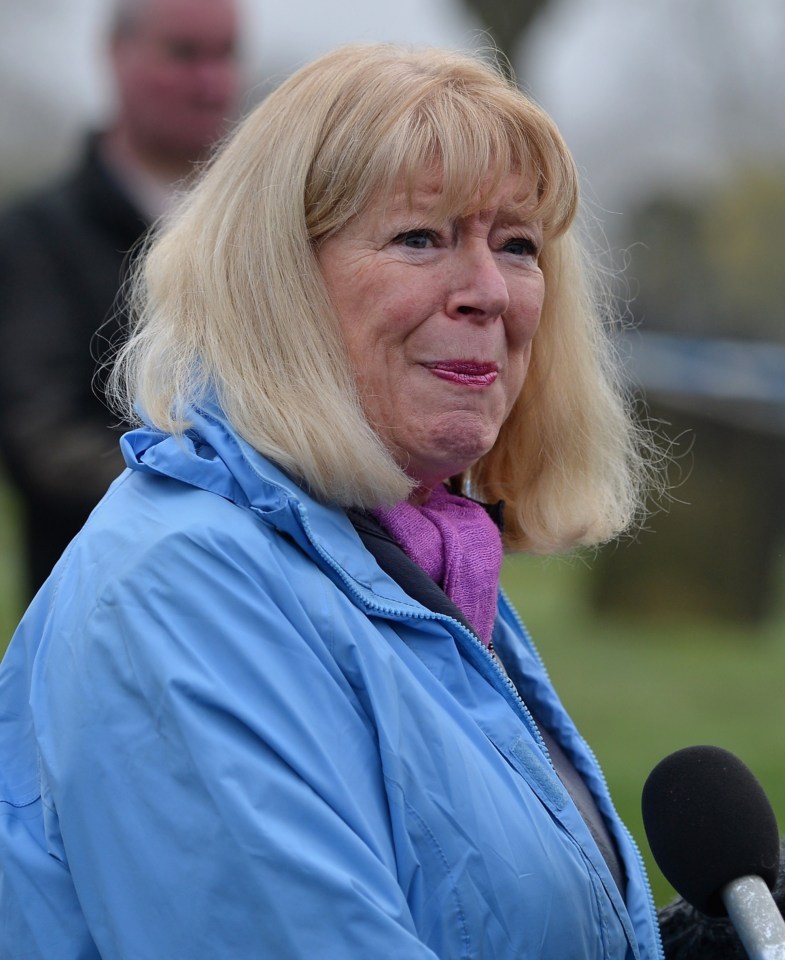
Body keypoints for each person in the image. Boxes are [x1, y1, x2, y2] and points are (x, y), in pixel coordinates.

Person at [0, 43, 664, 959]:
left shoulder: (411, 550)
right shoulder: (183, 594)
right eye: (420, 237)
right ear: (279, 283)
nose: (487, 292)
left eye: (516, 245)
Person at [0, 0, 241, 598]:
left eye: (225, 54)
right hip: (101, 603)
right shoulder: (33, 238)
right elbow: (42, 438)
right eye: (184, 54)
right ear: (115, 54)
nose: (209, 82)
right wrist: (224, 488)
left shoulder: (261, 237)